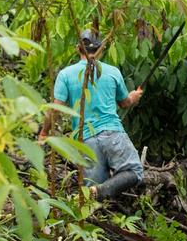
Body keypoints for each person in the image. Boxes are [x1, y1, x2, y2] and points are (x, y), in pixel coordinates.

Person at [43, 29, 145, 201]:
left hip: (85, 139)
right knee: (134, 171)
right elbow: (124, 102)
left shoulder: (65, 75)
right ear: (102, 49)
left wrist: (44, 132)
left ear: (78, 49)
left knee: (92, 194)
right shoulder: (112, 72)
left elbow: (55, 109)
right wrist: (134, 97)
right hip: (112, 133)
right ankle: (104, 191)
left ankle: (97, 199)